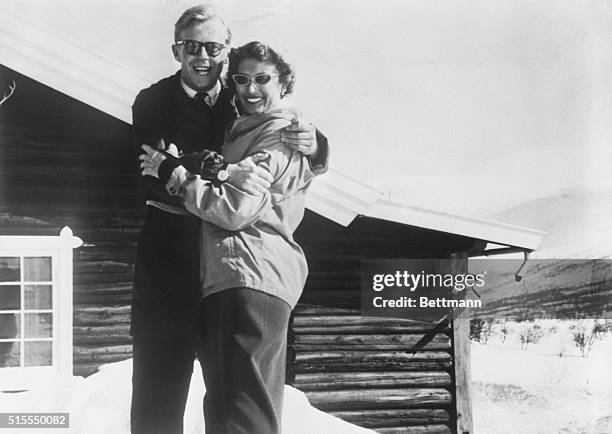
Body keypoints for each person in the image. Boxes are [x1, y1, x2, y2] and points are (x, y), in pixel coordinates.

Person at [130, 5, 328, 434]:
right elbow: (152, 169)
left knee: (231, 399)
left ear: (227, 50)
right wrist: (215, 171)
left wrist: (318, 146)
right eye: (192, 47)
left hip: (229, 266)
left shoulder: (240, 100)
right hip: (171, 260)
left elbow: (278, 143)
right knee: (158, 399)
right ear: (176, 51)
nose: (203, 57)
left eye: (214, 47)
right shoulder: (153, 102)